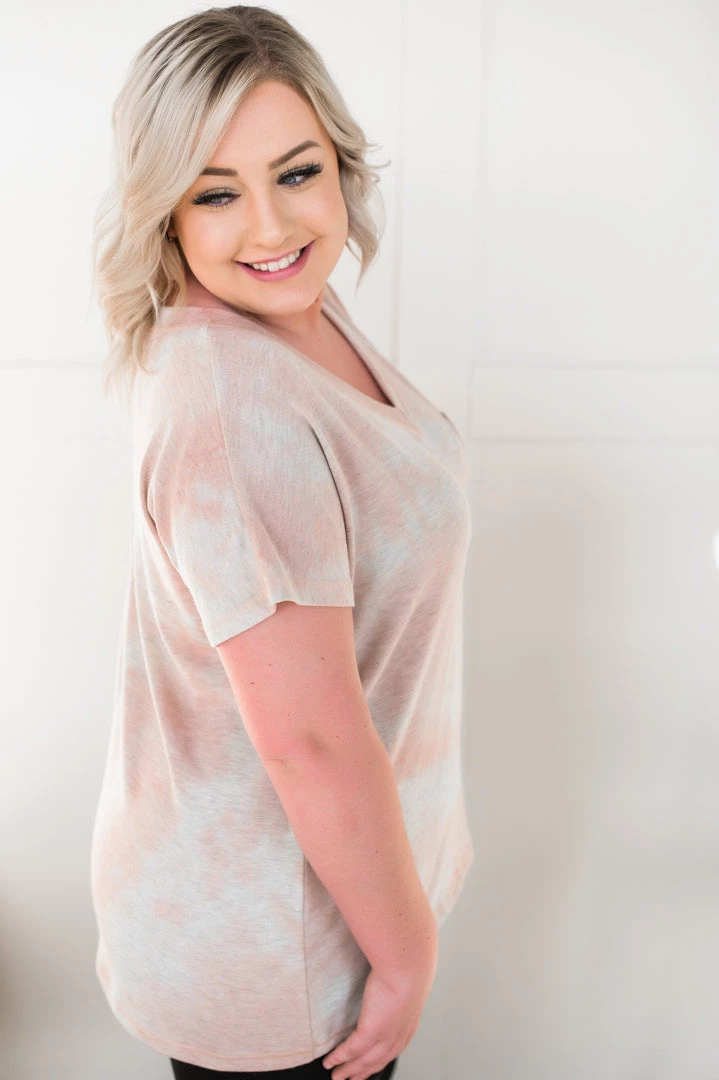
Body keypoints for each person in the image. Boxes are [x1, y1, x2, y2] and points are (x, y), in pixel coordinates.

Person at [89, 6, 475, 1079]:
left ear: (338, 165)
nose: (269, 226)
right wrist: (405, 957)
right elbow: (307, 739)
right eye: (215, 192)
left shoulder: (296, 309)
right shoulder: (232, 411)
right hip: (271, 956)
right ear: (164, 211)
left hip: (327, 901)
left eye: (296, 173)